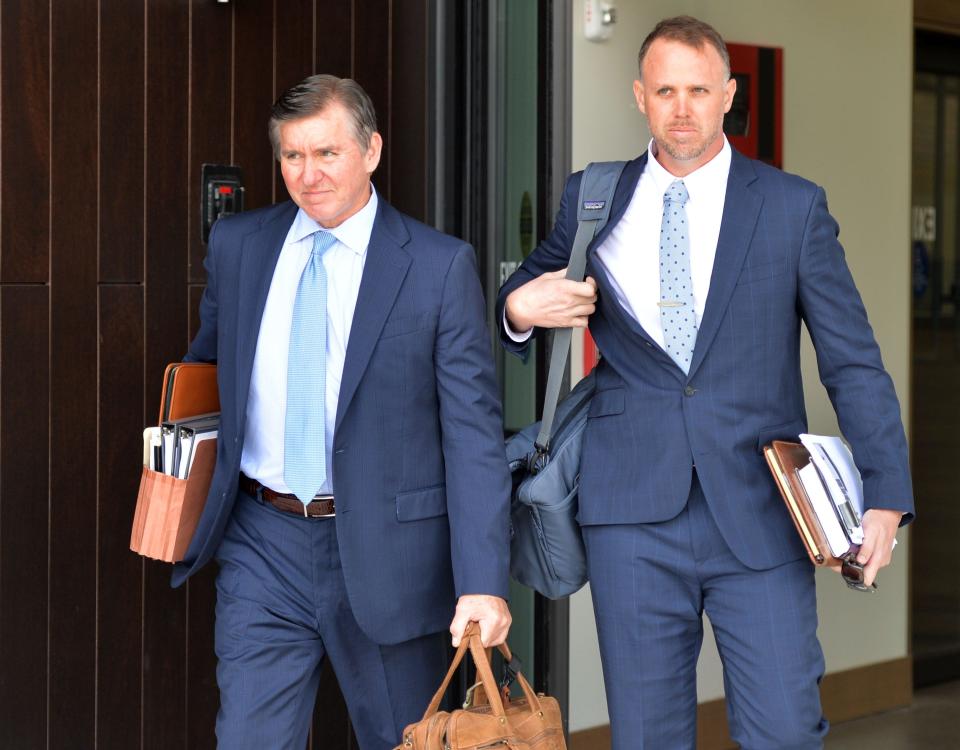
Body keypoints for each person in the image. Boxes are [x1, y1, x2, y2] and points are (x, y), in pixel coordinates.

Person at [497, 16, 913, 750]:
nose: (681, 107)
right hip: (630, 512)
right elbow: (530, 287)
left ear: (728, 94)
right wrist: (516, 310)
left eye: (697, 89)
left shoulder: (792, 206)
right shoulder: (592, 196)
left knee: (784, 730)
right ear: (640, 97)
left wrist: (884, 496)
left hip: (760, 509)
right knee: (648, 736)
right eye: (665, 90)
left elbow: (850, 357)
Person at [173, 74, 512, 749]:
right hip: (260, 542)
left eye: (328, 153)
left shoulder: (438, 267)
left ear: (372, 151)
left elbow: (472, 438)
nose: (309, 173)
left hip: (393, 556)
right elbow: (205, 377)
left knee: (404, 740)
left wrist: (483, 584)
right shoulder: (240, 247)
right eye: (293, 156)